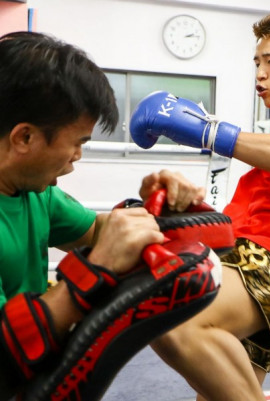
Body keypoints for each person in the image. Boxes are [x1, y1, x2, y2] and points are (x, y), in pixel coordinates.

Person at [129, 7, 270, 400]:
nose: (260, 73)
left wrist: (207, 131)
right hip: (265, 268)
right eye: (256, 63)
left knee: (169, 313)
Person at [0, 31, 206, 399]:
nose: (77, 157)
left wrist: (153, 207)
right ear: (24, 138)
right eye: (77, 142)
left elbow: (97, 231)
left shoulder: (35, 193)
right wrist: (94, 269)